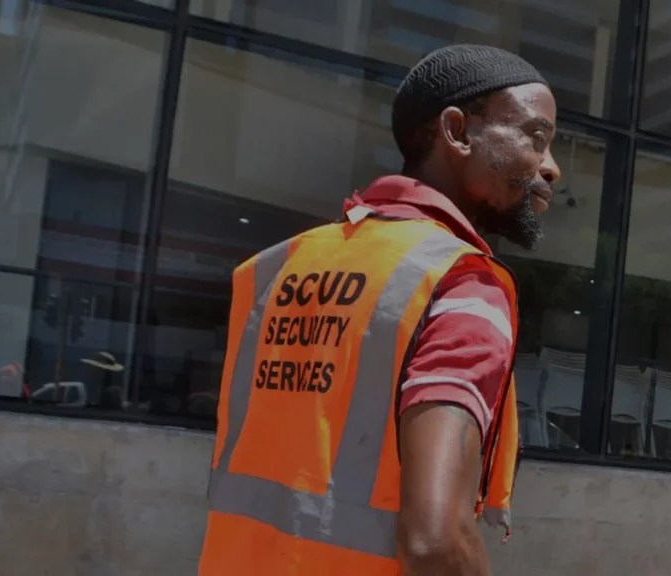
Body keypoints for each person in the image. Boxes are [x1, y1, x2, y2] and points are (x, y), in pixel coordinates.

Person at [199, 44, 560, 575]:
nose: (549, 168)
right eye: (536, 137)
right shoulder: (461, 283)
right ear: (457, 132)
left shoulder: (277, 269)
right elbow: (437, 541)